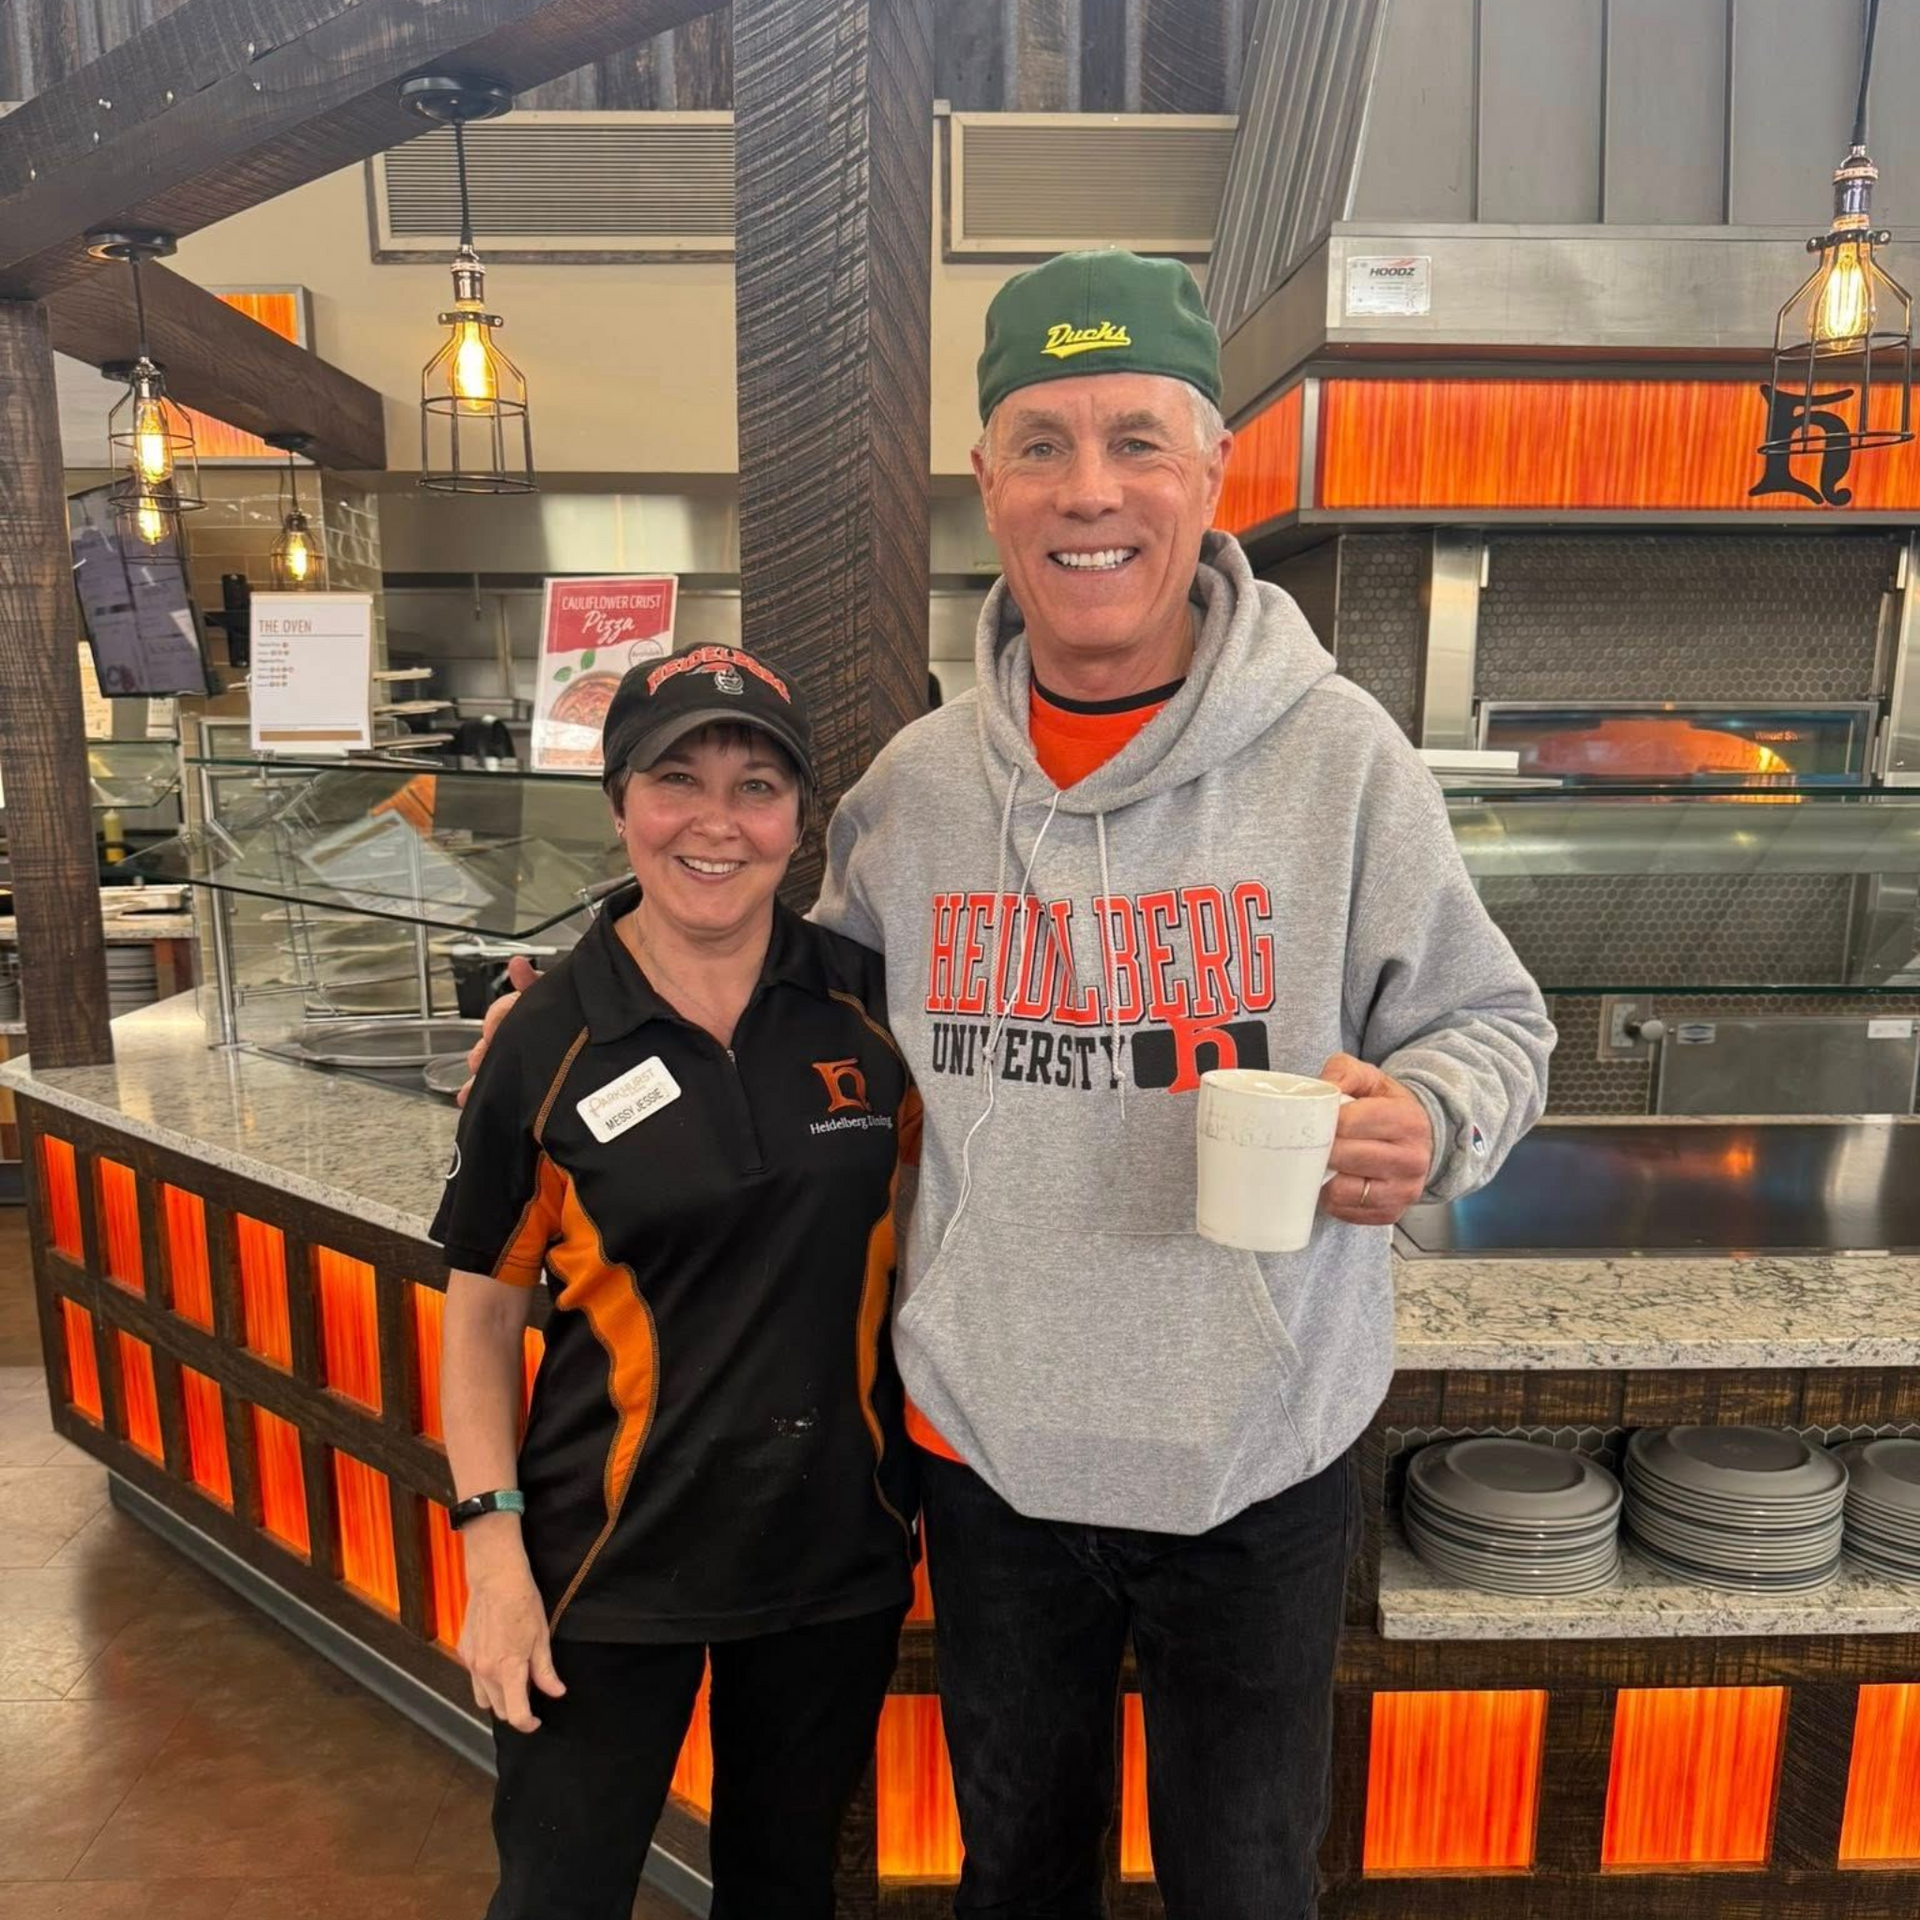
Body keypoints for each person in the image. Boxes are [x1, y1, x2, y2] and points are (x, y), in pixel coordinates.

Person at [470, 249, 1554, 1919]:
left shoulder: (1342, 761)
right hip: (991, 1469)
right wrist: (573, 989)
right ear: (989, 482)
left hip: (1257, 1458)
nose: (1090, 490)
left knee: (1248, 1890)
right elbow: (781, 984)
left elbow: (1498, 1022)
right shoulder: (915, 789)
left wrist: (1435, 1119)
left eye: (1136, 439)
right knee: (1013, 1884)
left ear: (1212, 473)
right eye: (1042, 442)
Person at [435, 642, 917, 1920]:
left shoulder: (871, 1008)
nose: (718, 822)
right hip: (604, 1560)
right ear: (619, 802)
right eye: (676, 778)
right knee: (559, 1894)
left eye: (758, 786)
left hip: (831, 1547)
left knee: (786, 1889)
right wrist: (491, 1552)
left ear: (799, 819)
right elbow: (480, 1311)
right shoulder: (545, 1038)